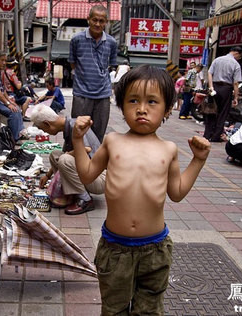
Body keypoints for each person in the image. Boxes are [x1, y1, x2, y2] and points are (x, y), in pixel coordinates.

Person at [72, 65, 211, 315]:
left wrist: (198, 160)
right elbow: (87, 175)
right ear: (122, 105)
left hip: (155, 250)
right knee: (113, 309)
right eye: (133, 100)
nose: (142, 109)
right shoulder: (113, 141)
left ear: (167, 109)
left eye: (152, 102)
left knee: (149, 310)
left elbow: (177, 193)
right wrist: (78, 141)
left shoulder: (168, 149)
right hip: (114, 248)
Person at [30, 105, 106, 215]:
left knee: (64, 159)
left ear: (47, 124)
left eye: (43, 128)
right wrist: (47, 175)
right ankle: (70, 194)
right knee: (55, 155)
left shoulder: (74, 125)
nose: (45, 132)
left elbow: (87, 149)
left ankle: (85, 200)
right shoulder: (68, 125)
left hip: (99, 177)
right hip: (88, 173)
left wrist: (66, 155)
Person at [69, 5, 118, 142]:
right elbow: (73, 62)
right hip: (81, 93)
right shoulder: (76, 39)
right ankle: (72, 160)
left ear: (106, 22)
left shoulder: (112, 42)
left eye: (101, 21)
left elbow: (111, 64)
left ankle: (94, 162)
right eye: (94, 20)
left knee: (98, 133)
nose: (97, 24)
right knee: (77, 131)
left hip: (103, 94)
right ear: (88, 19)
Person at [205, 46, 242, 142]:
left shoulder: (217, 60)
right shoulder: (236, 64)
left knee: (211, 111)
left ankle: (207, 134)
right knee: (222, 113)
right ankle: (215, 136)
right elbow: (235, 83)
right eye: (240, 56)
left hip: (214, 88)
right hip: (226, 89)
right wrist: (236, 97)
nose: (239, 58)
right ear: (237, 53)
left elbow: (209, 73)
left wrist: (211, 87)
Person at [0, 50, 25, 141]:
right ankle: (15, 138)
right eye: (2, 60)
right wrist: (8, 104)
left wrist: (11, 102)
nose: (4, 63)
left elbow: (3, 90)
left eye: (5, 60)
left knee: (17, 108)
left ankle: (20, 133)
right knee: (13, 112)